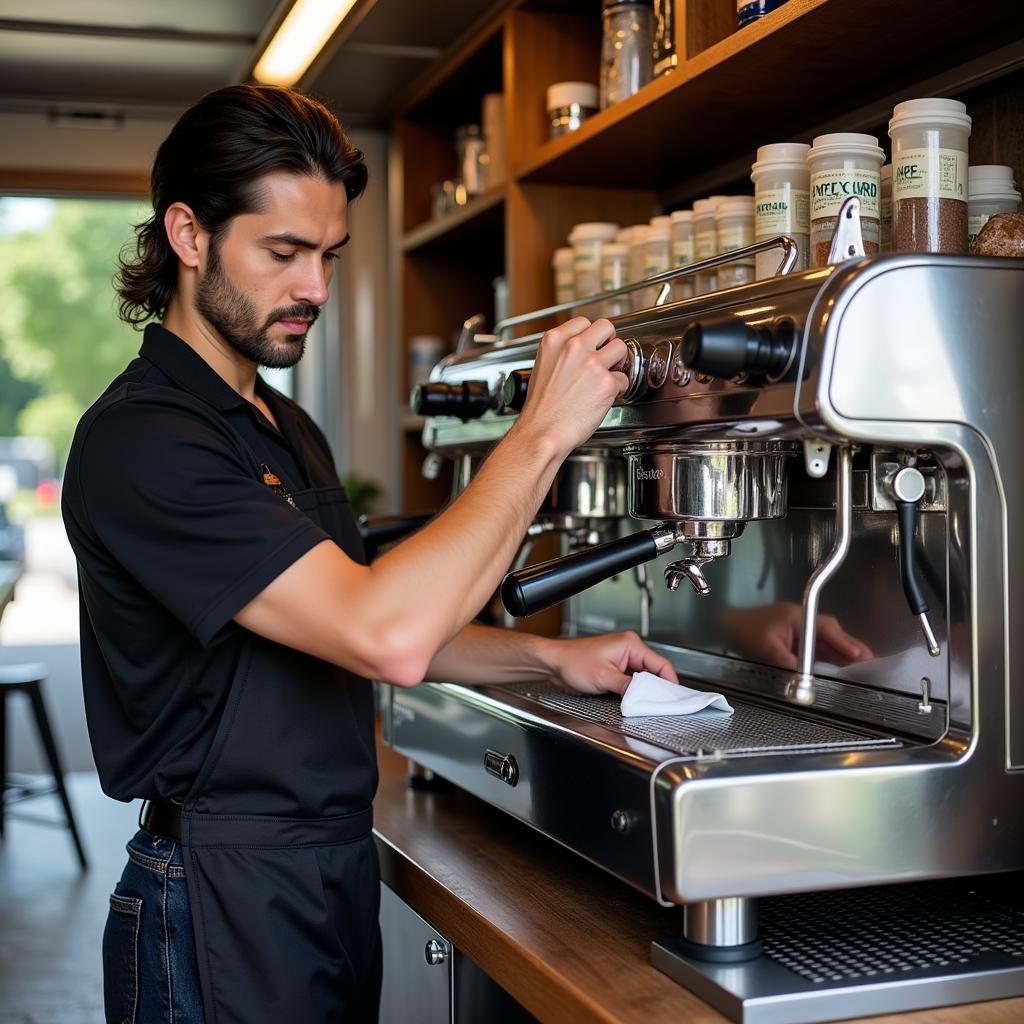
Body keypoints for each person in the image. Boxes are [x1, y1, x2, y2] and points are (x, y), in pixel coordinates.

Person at [61, 84, 679, 1024]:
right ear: (188, 237)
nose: (314, 287)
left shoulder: (281, 424)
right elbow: (383, 635)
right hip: (218, 894)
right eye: (283, 253)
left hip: (327, 866)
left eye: (328, 257)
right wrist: (540, 435)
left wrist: (552, 658)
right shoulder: (144, 440)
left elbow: (372, 619)